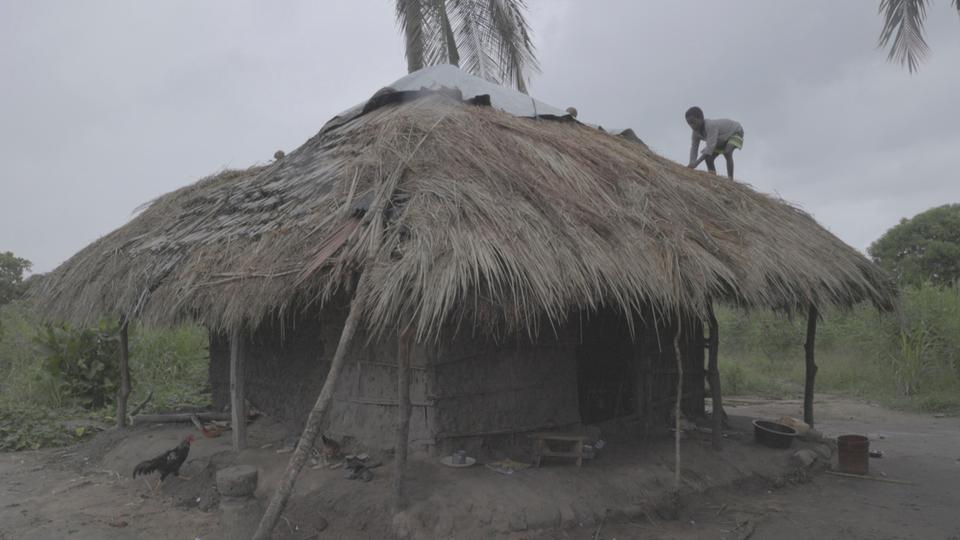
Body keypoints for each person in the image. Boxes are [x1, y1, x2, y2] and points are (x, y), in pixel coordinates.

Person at [685, 106, 743, 179]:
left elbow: (710, 148)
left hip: (735, 131)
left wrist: (696, 164)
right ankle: (713, 179)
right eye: (689, 123)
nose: (691, 126)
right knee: (708, 158)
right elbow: (694, 147)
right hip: (720, 138)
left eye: (693, 122)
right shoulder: (695, 133)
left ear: (701, 118)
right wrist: (691, 163)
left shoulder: (710, 126)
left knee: (727, 152)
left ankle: (730, 180)